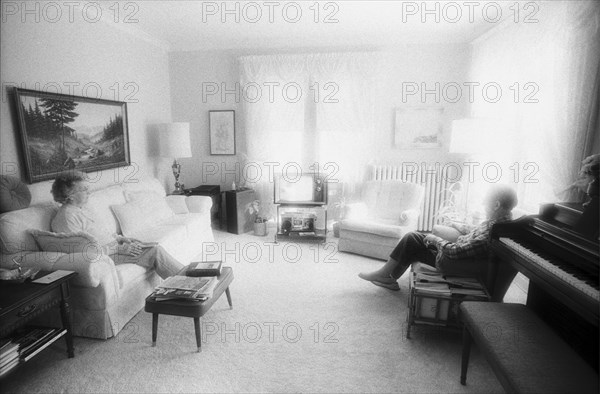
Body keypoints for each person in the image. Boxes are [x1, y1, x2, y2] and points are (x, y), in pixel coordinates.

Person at [358, 184, 518, 291]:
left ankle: (385, 275)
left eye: (486, 203)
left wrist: (436, 240)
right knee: (414, 239)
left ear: (496, 205)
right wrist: (457, 225)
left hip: (452, 261)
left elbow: (456, 251)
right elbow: (475, 229)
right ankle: (389, 277)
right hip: (456, 256)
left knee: (412, 239)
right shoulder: (500, 223)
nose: (484, 206)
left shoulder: (492, 231)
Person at [50, 171, 183, 278]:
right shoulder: (67, 218)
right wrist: (118, 249)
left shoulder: (81, 209)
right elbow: (82, 253)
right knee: (154, 252)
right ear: (70, 195)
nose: (89, 192)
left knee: (153, 245)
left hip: (114, 248)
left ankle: (188, 277)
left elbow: (101, 232)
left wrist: (120, 239)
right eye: (84, 189)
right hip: (103, 258)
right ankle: (188, 282)